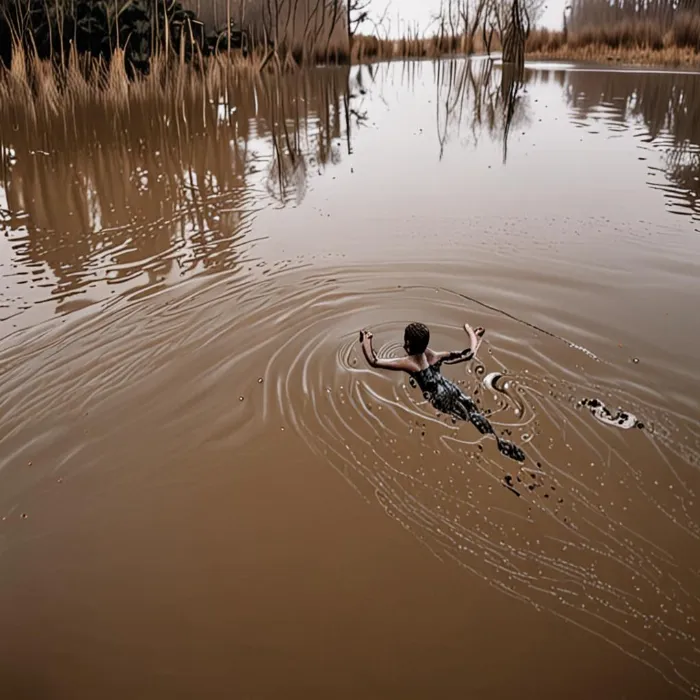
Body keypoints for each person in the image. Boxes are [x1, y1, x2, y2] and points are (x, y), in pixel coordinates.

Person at [359, 322, 526, 462]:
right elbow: (467, 355)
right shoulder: (435, 355)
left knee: (466, 418)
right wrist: (474, 336)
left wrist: (366, 340)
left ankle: (496, 446)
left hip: (440, 398)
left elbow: (374, 361)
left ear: (408, 344)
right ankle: (499, 440)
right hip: (452, 389)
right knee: (474, 413)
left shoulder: (410, 363)